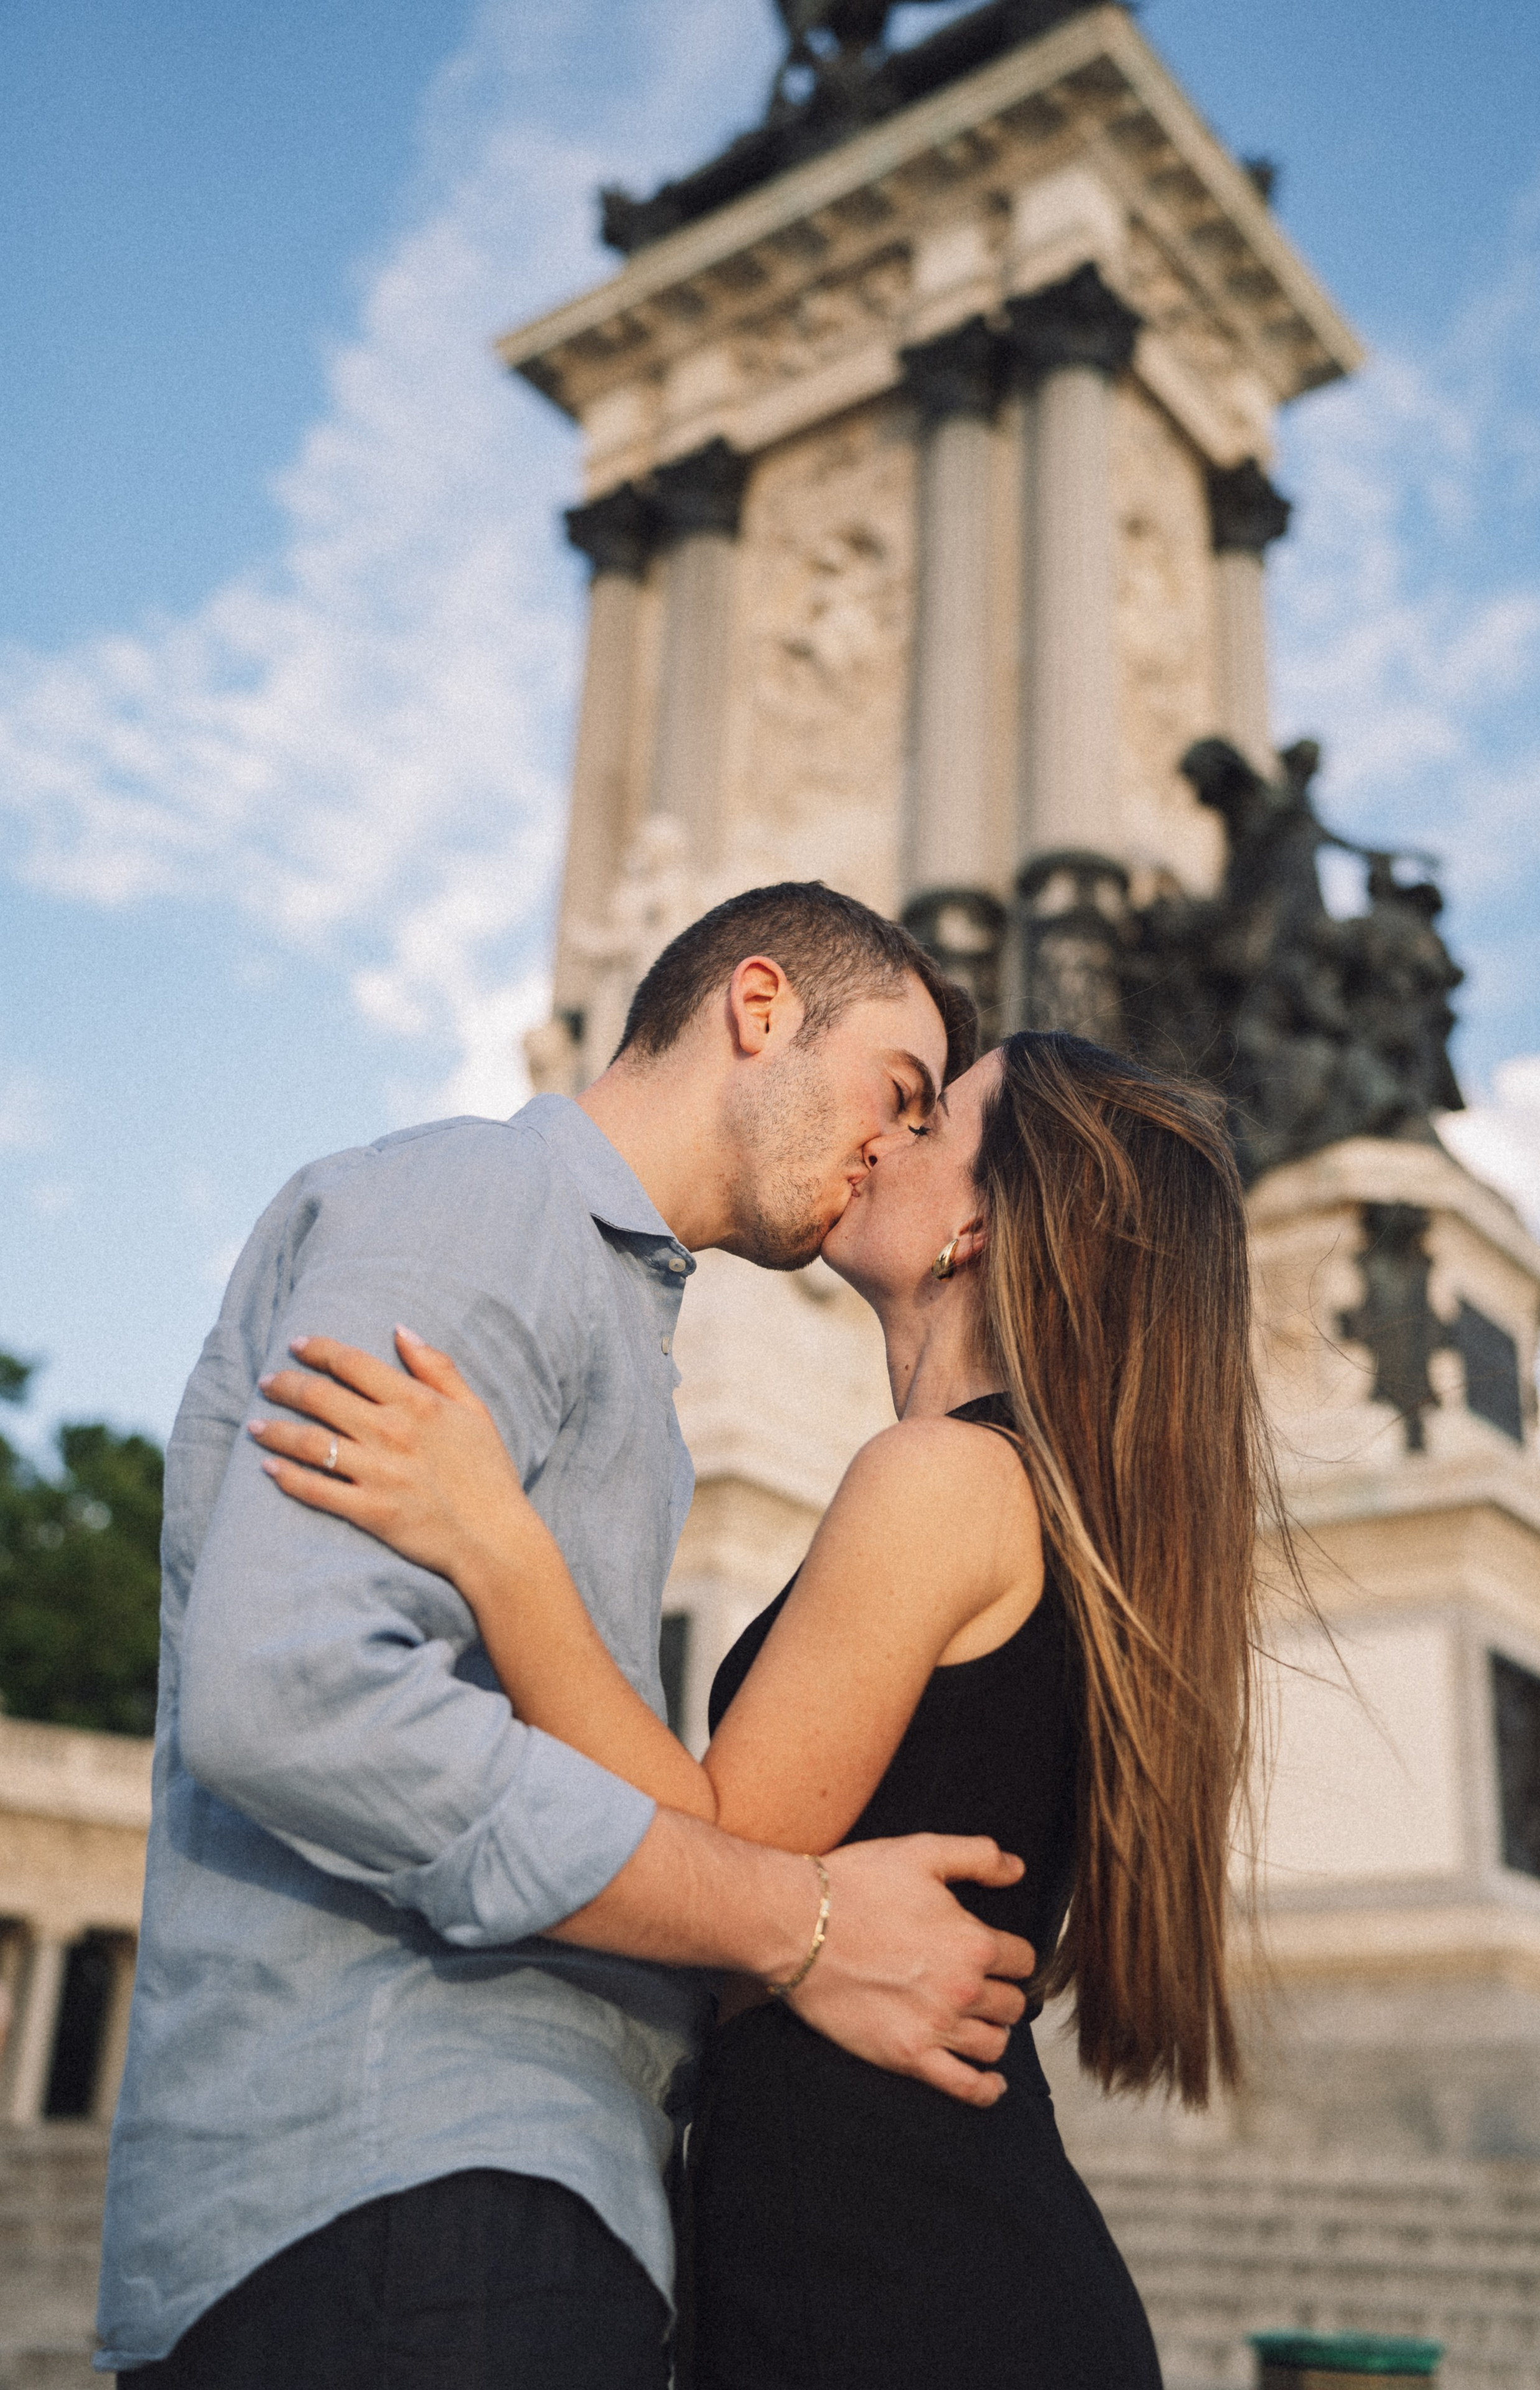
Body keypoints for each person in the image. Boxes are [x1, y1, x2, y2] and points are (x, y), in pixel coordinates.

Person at [98, 883, 1042, 2389]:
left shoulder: (623, 1348)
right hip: (412, 2193)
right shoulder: (483, 1199)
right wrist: (792, 1923)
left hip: (494, 2209)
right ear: (757, 1009)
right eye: (897, 1089)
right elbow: (296, 1696)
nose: (889, 1147)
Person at [251, 1026, 1269, 2389]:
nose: (883, 1139)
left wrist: (495, 1542)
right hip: (908, 2259)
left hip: (902, 2286)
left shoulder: (939, 1478)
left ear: (979, 1227)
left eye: (931, 1121)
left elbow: (715, 1850)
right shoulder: (1026, 1496)